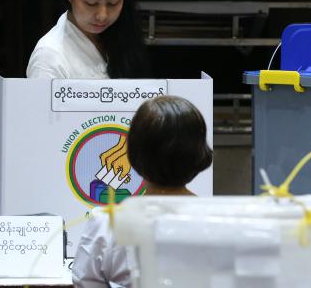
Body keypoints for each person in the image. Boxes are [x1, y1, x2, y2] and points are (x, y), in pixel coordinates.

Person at [72, 95, 213, 288]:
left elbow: (85, 283)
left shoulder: (106, 224)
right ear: (200, 154)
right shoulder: (217, 222)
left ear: (134, 154)